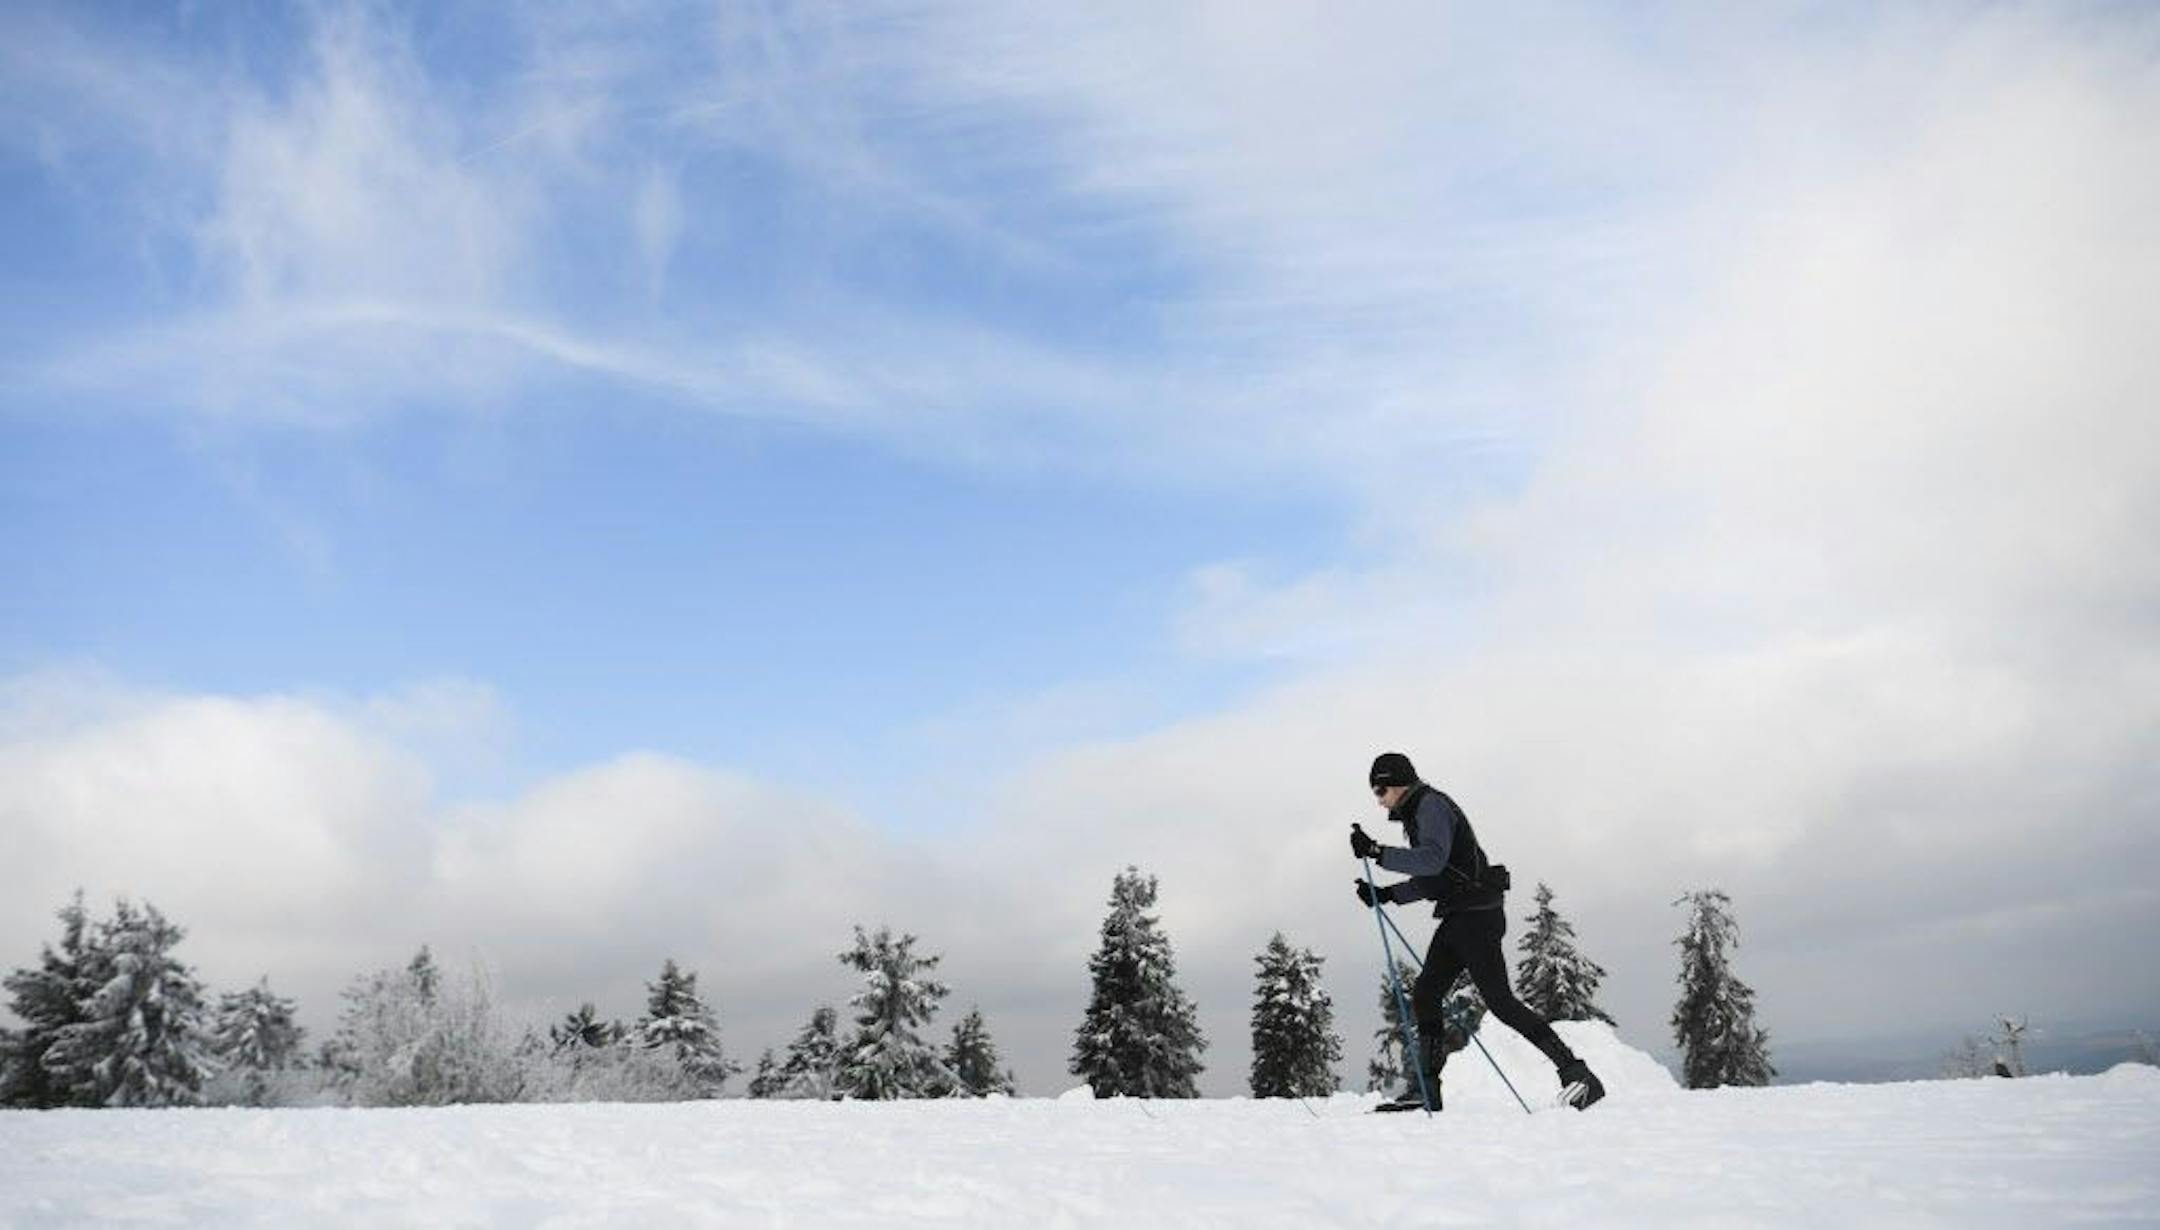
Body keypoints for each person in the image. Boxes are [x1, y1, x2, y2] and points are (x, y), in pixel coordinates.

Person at [1352, 750, 1604, 1112]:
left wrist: (1379, 852)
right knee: (1426, 993)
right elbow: (1437, 877)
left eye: (1380, 791)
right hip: (1461, 915)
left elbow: (1433, 859)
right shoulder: (1418, 812)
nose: (1379, 801)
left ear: (1396, 783)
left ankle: (1577, 1074)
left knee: (1500, 1002)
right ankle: (1428, 1090)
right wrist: (1387, 895)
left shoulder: (1430, 806)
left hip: (1476, 916)